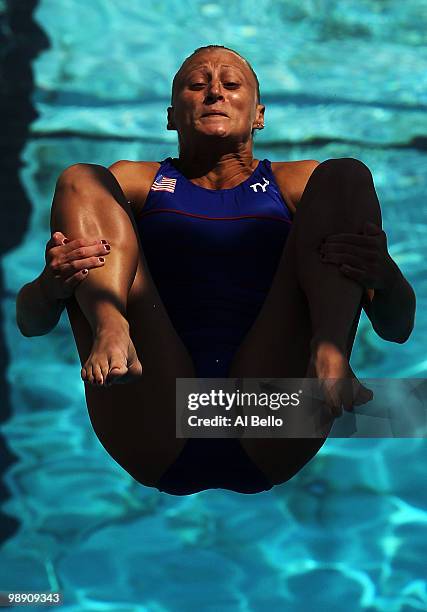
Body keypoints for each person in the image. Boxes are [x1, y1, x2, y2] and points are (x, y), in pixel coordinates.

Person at [16, 45, 416, 495]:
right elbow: (31, 322)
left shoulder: (302, 186)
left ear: (258, 114)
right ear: (171, 116)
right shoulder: (132, 183)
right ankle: (112, 325)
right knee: (79, 178)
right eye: (197, 85)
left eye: (230, 84)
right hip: (152, 409)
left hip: (274, 408)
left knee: (345, 174)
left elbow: (397, 326)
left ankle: (328, 351)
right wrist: (52, 285)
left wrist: (383, 275)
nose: (214, 94)